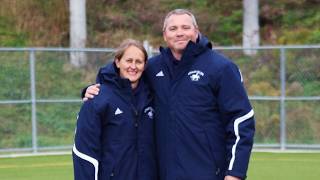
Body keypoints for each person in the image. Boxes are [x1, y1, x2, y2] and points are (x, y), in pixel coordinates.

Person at [84, 9, 255, 180]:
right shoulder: (153, 68)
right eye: (173, 29)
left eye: (185, 27)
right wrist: (94, 88)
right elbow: (121, 75)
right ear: (165, 35)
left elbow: (241, 120)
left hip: (208, 173)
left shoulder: (221, 68)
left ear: (196, 31)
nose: (179, 33)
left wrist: (235, 173)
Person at [73, 39, 157, 180]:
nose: (133, 66)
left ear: (145, 65)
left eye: (138, 62)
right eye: (128, 60)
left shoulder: (152, 96)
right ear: (117, 62)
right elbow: (84, 151)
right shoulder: (98, 98)